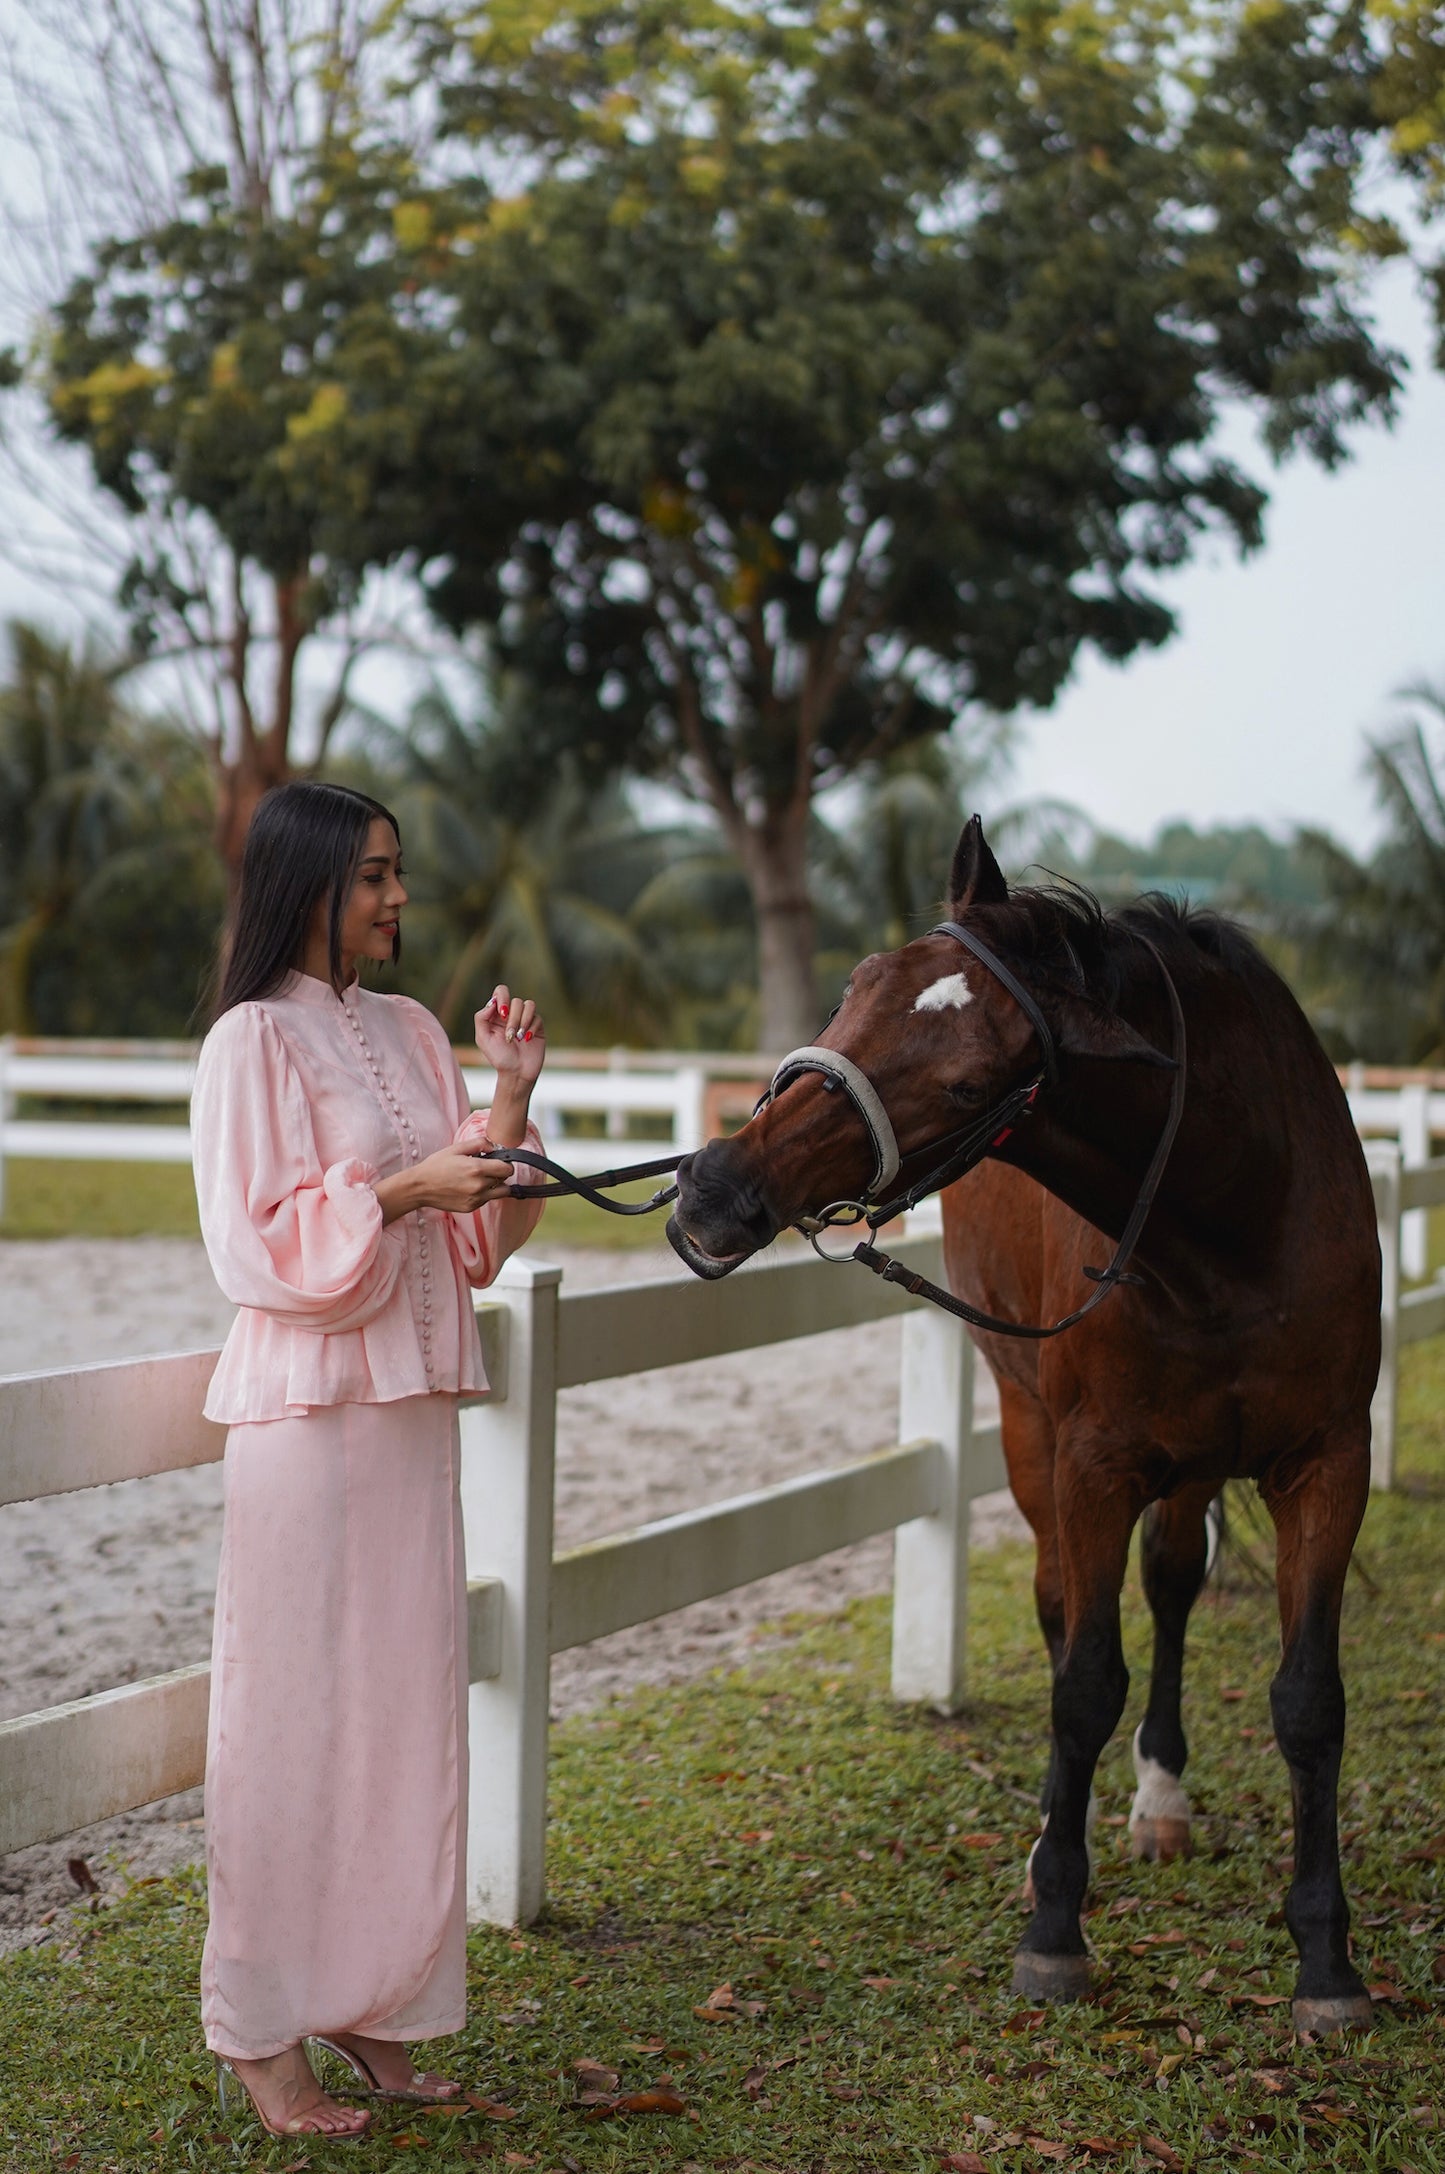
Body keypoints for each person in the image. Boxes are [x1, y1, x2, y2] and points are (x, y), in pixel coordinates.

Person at [190, 780, 546, 2140]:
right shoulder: (250, 1042)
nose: (399, 897)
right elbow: (253, 1246)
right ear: (313, 884)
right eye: (376, 876)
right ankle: (262, 2032)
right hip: (306, 1425)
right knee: (288, 1730)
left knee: (402, 1718)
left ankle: (376, 2003)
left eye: (400, 872)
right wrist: (401, 1188)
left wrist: (506, 1098)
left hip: (405, 1421)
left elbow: (476, 1244)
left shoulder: (407, 1029)